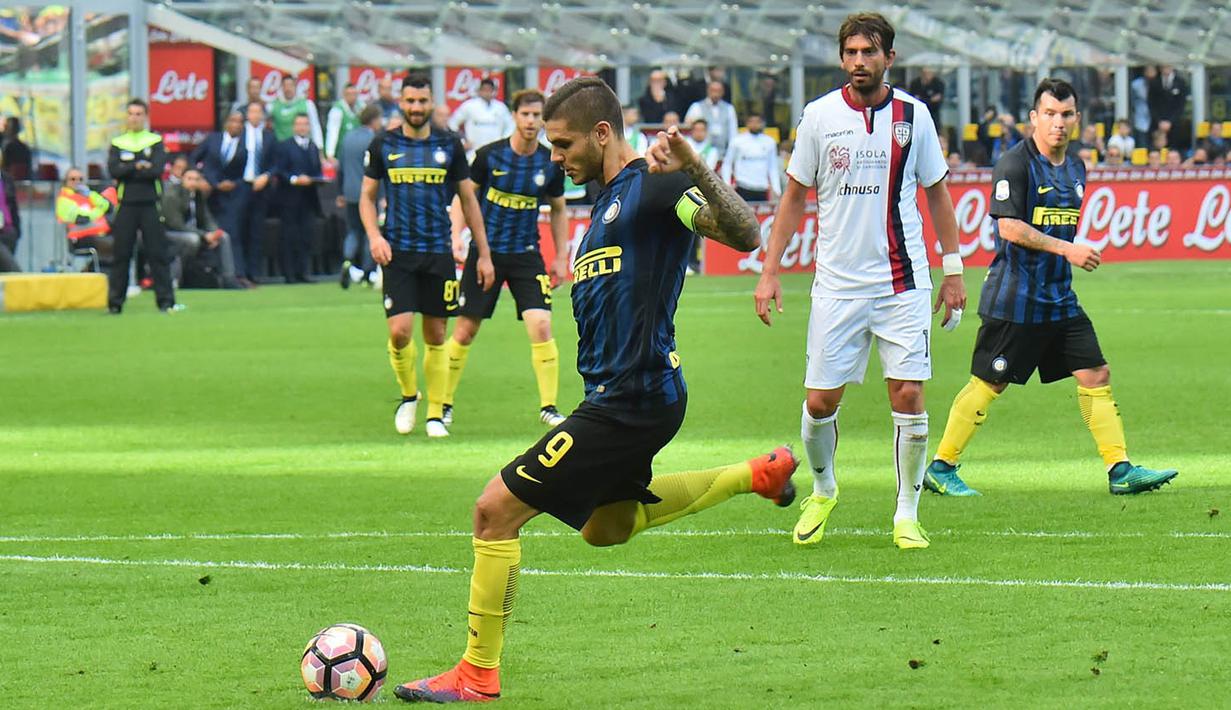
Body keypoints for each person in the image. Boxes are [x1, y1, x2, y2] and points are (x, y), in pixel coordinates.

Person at [392, 74, 799, 705]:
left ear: (601, 134)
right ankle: (758, 474)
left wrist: (695, 168)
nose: (555, 158)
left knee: (493, 510)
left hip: (630, 399)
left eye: (563, 145)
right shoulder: (607, 201)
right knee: (605, 530)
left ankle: (476, 674)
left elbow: (745, 233)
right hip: (632, 397)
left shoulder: (659, 188)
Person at [753, 12, 965, 550]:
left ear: (888, 58)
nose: (858, 62)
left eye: (869, 53)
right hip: (838, 287)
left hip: (903, 282)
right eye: (850, 53)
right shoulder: (819, 116)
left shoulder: (915, 117)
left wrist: (954, 268)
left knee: (909, 393)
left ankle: (906, 512)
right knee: (821, 403)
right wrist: (770, 271)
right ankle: (823, 489)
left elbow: (937, 192)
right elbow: (795, 197)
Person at [923, 79, 1178, 499]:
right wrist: (1068, 249)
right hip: (1016, 300)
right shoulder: (1014, 164)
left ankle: (1120, 469)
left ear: (1076, 119)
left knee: (1096, 373)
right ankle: (941, 466)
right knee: (990, 382)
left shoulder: (1077, 169)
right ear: (1034, 118)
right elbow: (1008, 227)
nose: (1058, 123)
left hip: (1059, 299)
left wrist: (1066, 255)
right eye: (1050, 114)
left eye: (1066, 115)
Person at [360, 74, 494, 438]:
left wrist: (482, 252)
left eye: (422, 102)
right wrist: (374, 236)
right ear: (400, 103)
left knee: (436, 334)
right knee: (400, 332)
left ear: (431, 103)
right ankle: (408, 396)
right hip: (398, 252)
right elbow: (367, 196)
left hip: (438, 252)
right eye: (410, 102)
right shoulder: (383, 144)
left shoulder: (449, 144)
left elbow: (468, 199)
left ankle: (435, 413)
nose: (416, 108)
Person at [440, 88, 570, 429]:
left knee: (541, 326)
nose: (530, 122)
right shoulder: (487, 157)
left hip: (527, 254)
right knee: (466, 331)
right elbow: (464, 199)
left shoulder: (550, 161)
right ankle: (443, 403)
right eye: (525, 114)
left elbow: (558, 209)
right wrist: (456, 235)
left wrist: (561, 256)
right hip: (487, 254)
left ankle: (549, 408)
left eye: (536, 116)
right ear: (514, 116)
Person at [107, 99, 177, 313]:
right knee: (121, 254)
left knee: (157, 253)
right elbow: (114, 171)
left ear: (145, 117)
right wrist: (137, 166)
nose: (134, 117)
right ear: (126, 117)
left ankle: (166, 301)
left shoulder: (155, 141)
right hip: (126, 204)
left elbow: (156, 170)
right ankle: (115, 303)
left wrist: (128, 168)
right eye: (131, 113)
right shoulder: (118, 142)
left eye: (138, 114)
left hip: (149, 204)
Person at [193, 110, 255, 287]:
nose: (236, 125)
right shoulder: (213, 139)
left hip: (230, 195)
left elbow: (242, 173)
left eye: (239, 122)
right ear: (226, 122)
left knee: (231, 233)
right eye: (233, 121)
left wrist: (232, 184)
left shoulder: (244, 148)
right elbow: (193, 158)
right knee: (210, 232)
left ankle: (236, 274)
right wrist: (201, 179)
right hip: (208, 194)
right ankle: (213, 274)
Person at [162, 167, 242, 289]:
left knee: (224, 237)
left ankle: (228, 278)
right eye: (189, 179)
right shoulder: (172, 195)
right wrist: (204, 235)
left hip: (194, 232)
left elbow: (207, 218)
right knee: (192, 240)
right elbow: (176, 224)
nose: (193, 182)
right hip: (170, 233)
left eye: (196, 179)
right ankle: (180, 277)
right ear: (182, 179)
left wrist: (215, 233)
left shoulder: (198, 196)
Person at [337, 104, 383, 289]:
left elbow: (340, 167)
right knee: (369, 231)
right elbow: (379, 169)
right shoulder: (374, 139)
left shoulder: (348, 138)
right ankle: (366, 272)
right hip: (368, 193)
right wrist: (383, 195)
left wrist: (341, 191)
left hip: (349, 192)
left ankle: (347, 260)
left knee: (353, 230)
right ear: (374, 120)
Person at [274, 113, 323, 283]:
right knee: (289, 236)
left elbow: (317, 171)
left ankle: (303, 272)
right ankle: (289, 274)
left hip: (308, 198)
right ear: (294, 127)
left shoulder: (313, 147)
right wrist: (294, 179)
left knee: (306, 236)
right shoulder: (285, 146)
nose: (302, 127)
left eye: (305, 124)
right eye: (299, 124)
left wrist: (316, 179)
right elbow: (279, 170)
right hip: (289, 199)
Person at [235, 102, 276, 284]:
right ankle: (240, 271)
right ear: (246, 114)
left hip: (261, 187)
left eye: (259, 112)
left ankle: (255, 272)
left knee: (257, 231)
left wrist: (266, 176)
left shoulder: (268, 137)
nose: (255, 115)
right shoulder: (238, 135)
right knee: (240, 229)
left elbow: (276, 162)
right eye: (252, 111)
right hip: (241, 185)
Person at [55, 168, 117, 262]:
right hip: (79, 238)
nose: (77, 182)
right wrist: (100, 211)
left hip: (98, 233)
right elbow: (83, 218)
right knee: (111, 245)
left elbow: (108, 207)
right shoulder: (64, 199)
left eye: (80, 179)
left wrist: (90, 195)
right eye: (73, 179)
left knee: (127, 240)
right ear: (66, 182)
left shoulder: (88, 194)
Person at [720, 113, 781, 202]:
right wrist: (727, 185)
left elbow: (773, 167)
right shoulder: (737, 141)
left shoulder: (769, 142)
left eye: (757, 122)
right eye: (752, 122)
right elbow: (727, 163)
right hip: (743, 186)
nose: (754, 125)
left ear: (762, 124)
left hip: (761, 187)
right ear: (747, 124)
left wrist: (776, 188)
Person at [448, 78, 514, 160]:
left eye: (490, 90)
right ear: (479, 91)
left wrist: (503, 143)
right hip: (473, 153)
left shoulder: (501, 108)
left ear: (494, 91)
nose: (487, 93)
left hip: (496, 153)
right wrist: (462, 141)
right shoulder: (469, 106)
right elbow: (452, 124)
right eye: (484, 90)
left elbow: (511, 126)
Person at [684, 80, 739, 155]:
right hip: (702, 153)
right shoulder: (696, 107)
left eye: (718, 91)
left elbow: (733, 132)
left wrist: (731, 152)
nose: (715, 93)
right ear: (708, 91)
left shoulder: (729, 108)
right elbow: (688, 129)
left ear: (723, 92)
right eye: (713, 90)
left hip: (724, 152)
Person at [269, 74, 323, 147]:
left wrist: (319, 147)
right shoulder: (273, 106)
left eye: (291, 85)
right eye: (285, 86)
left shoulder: (307, 104)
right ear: (282, 88)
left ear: (295, 86)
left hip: (302, 149)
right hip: (281, 149)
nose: (288, 89)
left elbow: (315, 127)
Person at [325, 83, 363, 162]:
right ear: (344, 95)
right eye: (349, 94)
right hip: (342, 153)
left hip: (358, 152)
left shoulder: (361, 107)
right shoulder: (337, 110)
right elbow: (332, 132)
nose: (352, 97)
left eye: (354, 94)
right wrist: (330, 154)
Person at [0, 165, 20, 271]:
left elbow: (13, 207)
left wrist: (16, 231)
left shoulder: (6, 179)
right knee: (13, 270)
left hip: (8, 232)